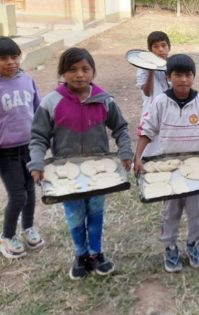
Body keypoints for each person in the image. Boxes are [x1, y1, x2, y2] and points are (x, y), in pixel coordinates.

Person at [28, 48, 133, 280]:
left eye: (85, 69)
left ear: (93, 71)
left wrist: (125, 151)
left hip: (99, 173)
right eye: (72, 70)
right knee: (75, 215)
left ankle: (96, 253)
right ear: (62, 73)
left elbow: (121, 128)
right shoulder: (51, 102)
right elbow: (38, 137)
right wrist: (36, 162)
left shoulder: (104, 100)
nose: (79, 75)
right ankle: (80, 254)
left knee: (96, 213)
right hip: (66, 175)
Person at [134, 53, 199, 272]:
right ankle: (170, 247)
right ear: (169, 77)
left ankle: (193, 243)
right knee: (170, 212)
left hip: (196, 165)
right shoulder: (160, 102)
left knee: (196, 211)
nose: (183, 79)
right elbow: (147, 129)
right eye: (178, 75)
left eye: (188, 75)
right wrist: (138, 156)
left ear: (194, 76)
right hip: (168, 167)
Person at [0, 36, 44, 259]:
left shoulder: (27, 79)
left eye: (14, 56)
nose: (10, 62)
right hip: (5, 152)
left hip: (29, 147)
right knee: (18, 196)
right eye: (3, 58)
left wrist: (44, 139)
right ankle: (7, 236)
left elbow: (39, 111)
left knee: (30, 190)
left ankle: (28, 228)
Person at [136, 31, 171, 157]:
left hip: (169, 110)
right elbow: (147, 92)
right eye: (156, 46)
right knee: (151, 144)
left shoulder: (172, 65)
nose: (160, 49)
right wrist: (151, 69)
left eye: (163, 45)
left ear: (169, 48)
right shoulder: (142, 67)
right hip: (151, 111)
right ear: (150, 50)